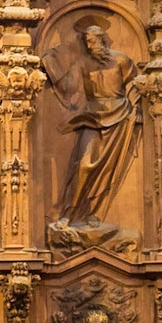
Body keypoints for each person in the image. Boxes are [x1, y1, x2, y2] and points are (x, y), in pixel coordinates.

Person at [48, 23, 142, 240]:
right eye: (87, 43)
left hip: (119, 114)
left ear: (101, 40)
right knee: (84, 164)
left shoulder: (121, 60)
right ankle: (71, 213)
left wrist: (136, 109)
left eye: (92, 41)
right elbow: (68, 88)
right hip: (93, 115)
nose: (90, 47)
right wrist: (51, 64)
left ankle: (90, 211)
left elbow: (136, 84)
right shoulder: (83, 63)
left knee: (108, 169)